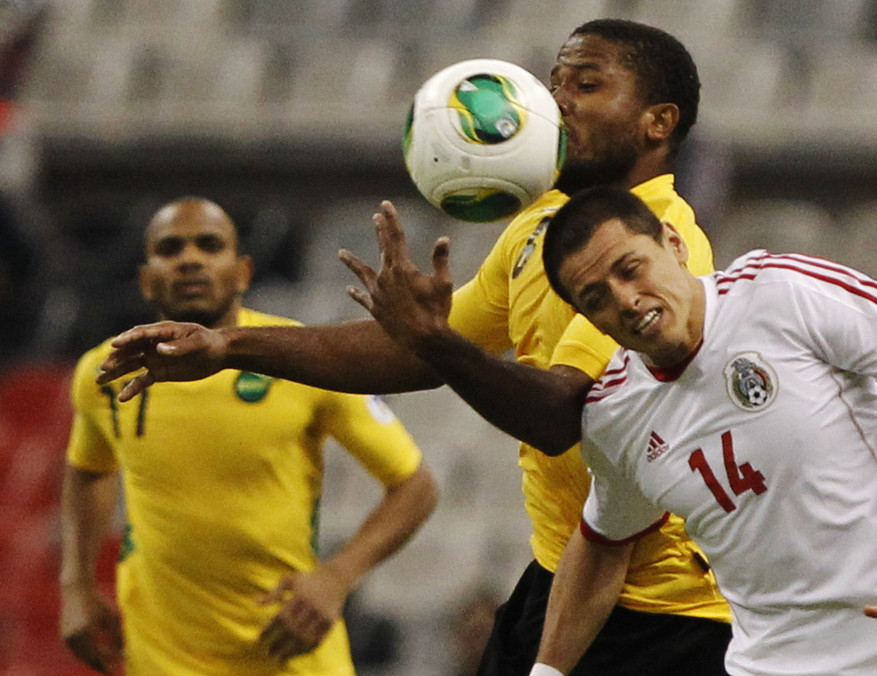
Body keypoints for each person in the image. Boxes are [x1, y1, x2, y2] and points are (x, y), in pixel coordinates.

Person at [96, 20, 733, 676]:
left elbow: (563, 415)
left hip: (665, 613)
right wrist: (229, 344)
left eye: (587, 85)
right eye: (554, 83)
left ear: (657, 122)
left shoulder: (659, 248)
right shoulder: (541, 229)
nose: (555, 102)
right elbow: (415, 353)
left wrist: (429, 337)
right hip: (559, 579)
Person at [525, 185, 877, 675]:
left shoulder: (780, 293)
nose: (626, 300)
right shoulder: (615, 415)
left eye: (631, 270)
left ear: (674, 245)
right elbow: (604, 538)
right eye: (597, 298)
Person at [59, 197, 439, 675]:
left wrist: (336, 578)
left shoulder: (301, 359)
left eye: (209, 245)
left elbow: (416, 487)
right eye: (170, 248)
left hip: (288, 651)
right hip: (162, 656)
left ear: (242, 272)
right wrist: (76, 585)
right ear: (146, 278)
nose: (190, 258)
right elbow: (88, 470)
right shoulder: (105, 372)